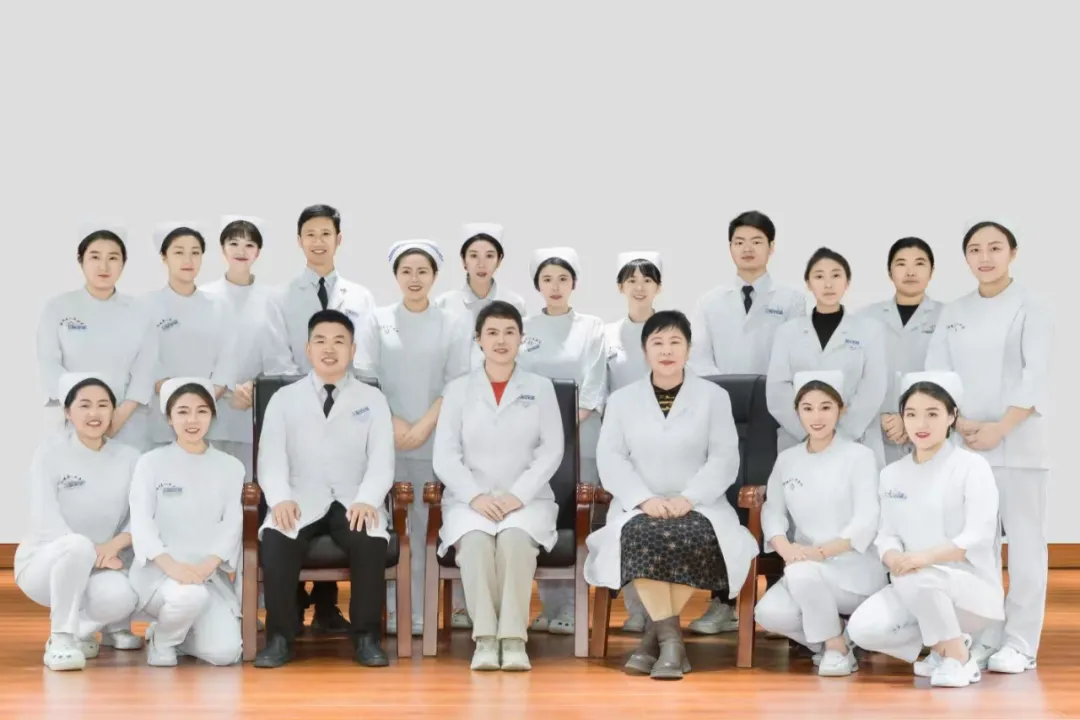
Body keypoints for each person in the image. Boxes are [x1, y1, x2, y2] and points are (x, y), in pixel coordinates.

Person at [585, 310, 758, 680]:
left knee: (686, 537)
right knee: (641, 535)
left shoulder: (714, 397)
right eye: (657, 342)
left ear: (689, 349)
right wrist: (643, 499)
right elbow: (610, 458)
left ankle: (654, 638)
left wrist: (689, 498)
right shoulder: (622, 400)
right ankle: (672, 641)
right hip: (638, 505)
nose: (666, 350)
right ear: (644, 350)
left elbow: (725, 457)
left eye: (675, 342)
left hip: (700, 505)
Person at [925, 221, 1052, 674]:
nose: (985, 257)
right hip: (967, 443)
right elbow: (938, 374)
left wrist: (1001, 427)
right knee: (975, 547)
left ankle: (1021, 642)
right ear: (966, 258)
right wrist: (959, 424)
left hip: (1019, 446)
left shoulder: (1032, 306)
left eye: (995, 248)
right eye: (975, 249)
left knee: (1025, 548)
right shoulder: (955, 310)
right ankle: (983, 635)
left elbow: (1034, 375)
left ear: (1012, 253)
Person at [686, 210, 805, 637]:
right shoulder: (710, 301)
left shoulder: (792, 300)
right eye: (739, 241)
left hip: (776, 420)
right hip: (723, 417)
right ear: (730, 248)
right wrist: (730, 394)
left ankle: (776, 599)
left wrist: (765, 393)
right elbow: (699, 359)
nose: (748, 248)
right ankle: (722, 601)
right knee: (723, 502)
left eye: (757, 241)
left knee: (774, 503)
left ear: (771, 247)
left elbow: (793, 356)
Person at [254, 310, 395, 669]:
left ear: (352, 349)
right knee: (279, 538)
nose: (329, 349)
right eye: (320, 341)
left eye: (339, 341)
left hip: (354, 497)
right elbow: (270, 457)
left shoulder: (372, 398)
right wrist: (279, 498)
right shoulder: (284, 398)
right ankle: (280, 637)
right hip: (299, 497)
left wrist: (368, 500)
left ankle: (366, 637)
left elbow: (382, 459)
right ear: (308, 348)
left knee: (368, 539)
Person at [846, 372, 1004, 689]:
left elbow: (977, 536)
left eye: (932, 413)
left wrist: (922, 558)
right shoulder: (892, 474)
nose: (921, 423)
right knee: (862, 629)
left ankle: (958, 658)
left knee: (924, 578)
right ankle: (944, 645)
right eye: (911, 414)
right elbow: (886, 534)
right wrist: (894, 558)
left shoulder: (972, 467)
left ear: (952, 416)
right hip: (911, 580)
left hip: (968, 589)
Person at [432, 301, 565, 671]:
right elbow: (445, 455)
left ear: (521, 338)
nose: (501, 340)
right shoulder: (458, 389)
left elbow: (552, 449)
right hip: (469, 500)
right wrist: (474, 496)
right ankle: (486, 641)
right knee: (475, 545)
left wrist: (516, 496)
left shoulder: (540, 388)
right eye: (492, 332)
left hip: (527, 500)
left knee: (514, 543)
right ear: (478, 339)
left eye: (509, 332)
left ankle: (513, 640)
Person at [264, 204, 376, 634]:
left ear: (338, 239)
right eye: (309, 234)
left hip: (348, 406)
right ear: (299, 240)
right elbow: (278, 360)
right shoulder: (280, 297)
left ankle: (328, 607)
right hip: (298, 408)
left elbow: (366, 359)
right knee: (300, 500)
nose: (318, 241)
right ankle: (291, 615)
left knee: (341, 496)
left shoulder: (360, 296)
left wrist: (339, 390)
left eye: (325, 233)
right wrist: (311, 394)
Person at [355, 240, 472, 637]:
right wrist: (393, 424)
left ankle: (421, 613)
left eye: (423, 271)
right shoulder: (376, 320)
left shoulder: (452, 323)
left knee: (424, 530)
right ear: (396, 276)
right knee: (384, 526)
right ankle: (390, 611)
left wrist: (423, 427)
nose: (414, 278)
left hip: (435, 438)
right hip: (381, 438)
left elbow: (457, 383)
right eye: (406, 271)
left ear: (435, 276)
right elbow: (365, 378)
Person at [754, 371, 886, 677]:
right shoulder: (787, 459)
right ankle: (837, 638)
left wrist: (820, 553)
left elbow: (866, 520)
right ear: (797, 412)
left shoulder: (860, 457)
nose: (817, 417)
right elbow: (773, 512)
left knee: (801, 574)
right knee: (768, 614)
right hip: (804, 565)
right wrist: (785, 547)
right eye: (808, 408)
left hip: (853, 569)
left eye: (826, 407)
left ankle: (837, 651)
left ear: (841, 410)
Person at [433, 223, 528, 628]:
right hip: (460, 410)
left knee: (511, 535)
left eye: (489, 255)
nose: (481, 262)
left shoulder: (516, 302)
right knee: (467, 528)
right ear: (463, 261)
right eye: (473, 255)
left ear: (500, 260)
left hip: (505, 411)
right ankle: (464, 608)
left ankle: (501, 620)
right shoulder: (444, 305)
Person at [15, 373, 143, 671]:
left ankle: (81, 630)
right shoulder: (49, 454)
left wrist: (116, 545)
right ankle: (61, 638)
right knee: (76, 546)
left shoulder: (130, 458)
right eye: (84, 405)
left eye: (103, 405)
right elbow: (45, 519)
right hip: (46, 563)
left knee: (123, 597)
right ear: (67, 412)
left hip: (101, 563)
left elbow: (140, 515)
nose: (94, 413)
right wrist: (93, 552)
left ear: (113, 411)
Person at [518, 247, 607, 636]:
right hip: (532, 440)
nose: (555, 286)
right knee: (541, 514)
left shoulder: (591, 326)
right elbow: (518, 380)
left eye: (563, 279)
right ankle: (549, 605)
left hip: (578, 436)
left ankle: (572, 607)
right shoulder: (524, 327)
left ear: (575, 283)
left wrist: (563, 423)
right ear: (537, 284)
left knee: (575, 516)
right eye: (547, 279)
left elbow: (594, 384)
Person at [128, 377, 245, 667]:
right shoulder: (150, 463)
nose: (192, 420)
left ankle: (176, 633)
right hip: (160, 574)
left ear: (213, 416)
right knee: (189, 597)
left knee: (225, 654)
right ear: (169, 418)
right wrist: (173, 567)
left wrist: (206, 567)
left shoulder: (231, 467)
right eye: (182, 411)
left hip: (207, 576)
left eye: (201, 411)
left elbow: (232, 525)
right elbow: (141, 522)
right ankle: (163, 641)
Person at [37, 226, 158, 451]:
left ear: (123, 263)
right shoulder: (58, 307)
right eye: (95, 257)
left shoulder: (141, 311)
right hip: (74, 423)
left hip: (127, 424)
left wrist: (117, 418)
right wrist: (81, 414)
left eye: (113, 258)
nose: (104, 266)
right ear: (81, 260)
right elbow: (49, 363)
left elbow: (146, 369)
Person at [767, 247, 888, 468]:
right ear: (808, 283)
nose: (828, 284)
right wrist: (810, 434)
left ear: (847, 282)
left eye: (836, 275)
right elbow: (777, 390)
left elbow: (873, 386)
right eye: (819, 276)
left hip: (855, 440)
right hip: (799, 441)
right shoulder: (787, 332)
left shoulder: (869, 330)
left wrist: (840, 436)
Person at [202, 216, 295, 481]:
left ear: (258, 252)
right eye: (234, 243)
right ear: (223, 249)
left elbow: (280, 360)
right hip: (208, 413)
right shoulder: (203, 296)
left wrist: (256, 387)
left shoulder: (272, 300)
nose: (241, 251)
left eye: (249, 244)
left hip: (254, 414)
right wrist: (226, 389)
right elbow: (195, 357)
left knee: (251, 492)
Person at [604, 251, 663, 633]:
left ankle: (661, 610)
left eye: (647, 280)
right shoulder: (607, 335)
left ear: (658, 286)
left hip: (666, 443)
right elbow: (601, 388)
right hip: (622, 444)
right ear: (620, 287)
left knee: (660, 524)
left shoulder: (670, 330)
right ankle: (636, 609)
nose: (639, 287)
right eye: (632, 280)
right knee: (624, 522)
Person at [144, 224, 232, 450]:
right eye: (179, 252)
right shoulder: (146, 306)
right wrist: (178, 402)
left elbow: (227, 360)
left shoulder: (219, 306)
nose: (188, 260)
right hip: (162, 416)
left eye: (195, 252)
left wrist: (201, 403)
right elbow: (147, 360)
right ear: (164, 257)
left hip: (208, 414)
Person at [858, 238, 944, 465]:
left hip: (931, 433)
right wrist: (878, 418)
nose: (910, 272)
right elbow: (852, 379)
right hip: (876, 432)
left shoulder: (949, 318)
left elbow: (954, 380)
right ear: (889, 271)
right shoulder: (864, 319)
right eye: (901, 263)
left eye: (919, 263)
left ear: (932, 271)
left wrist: (912, 419)